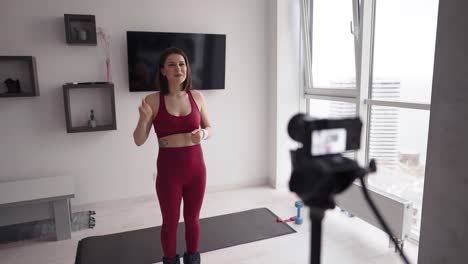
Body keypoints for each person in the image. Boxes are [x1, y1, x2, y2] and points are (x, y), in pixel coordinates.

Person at [133, 47, 212, 264]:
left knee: (193, 220)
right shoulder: (152, 101)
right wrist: (143, 119)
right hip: (169, 174)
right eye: (172, 64)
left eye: (182, 63)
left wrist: (203, 134)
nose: (179, 68)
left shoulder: (197, 96)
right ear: (162, 71)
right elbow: (139, 140)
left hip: (197, 170)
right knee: (170, 221)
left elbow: (210, 128)